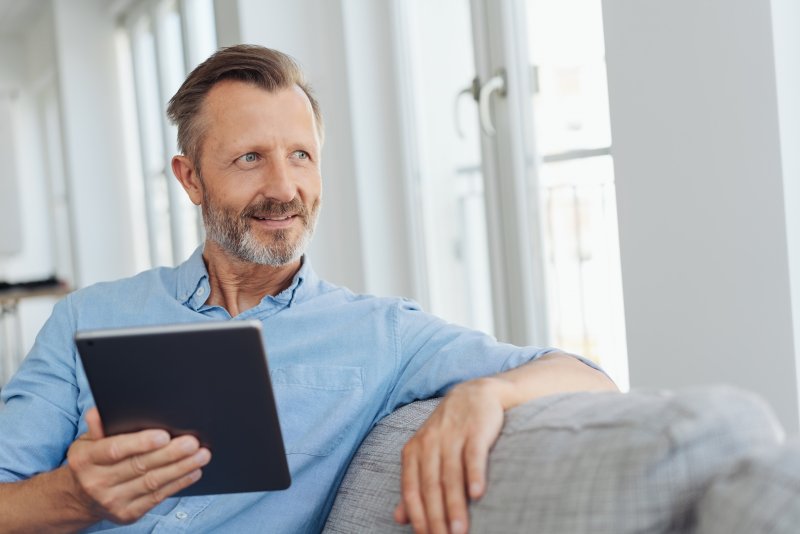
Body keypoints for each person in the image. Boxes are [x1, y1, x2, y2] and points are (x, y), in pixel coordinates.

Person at [0, 44, 616, 533]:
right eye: (249, 158)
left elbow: (586, 376)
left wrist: (486, 394)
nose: (284, 187)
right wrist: (75, 497)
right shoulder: (87, 316)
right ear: (190, 179)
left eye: (300, 155)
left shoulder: (382, 334)